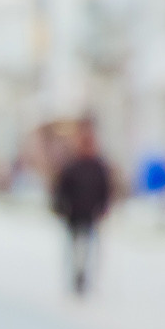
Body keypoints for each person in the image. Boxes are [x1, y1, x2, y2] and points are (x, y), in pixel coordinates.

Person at [51, 123, 114, 297]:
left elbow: (105, 190)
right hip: (74, 215)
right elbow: (61, 189)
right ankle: (77, 276)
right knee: (76, 248)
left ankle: (84, 276)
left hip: (90, 215)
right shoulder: (72, 167)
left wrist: (103, 208)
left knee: (87, 248)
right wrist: (60, 207)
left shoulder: (98, 167)